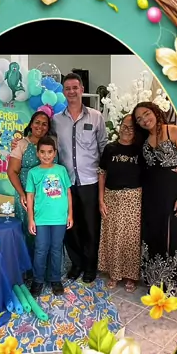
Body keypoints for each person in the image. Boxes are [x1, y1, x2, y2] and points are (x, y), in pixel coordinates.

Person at [52, 72, 107, 283]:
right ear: (63, 92)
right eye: (67, 88)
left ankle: (91, 265)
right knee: (71, 227)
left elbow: (103, 147)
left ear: (82, 89)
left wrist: (105, 177)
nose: (72, 92)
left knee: (91, 227)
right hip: (66, 182)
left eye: (75, 87)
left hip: (90, 181)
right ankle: (77, 264)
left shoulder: (96, 117)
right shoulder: (56, 120)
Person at [132, 101, 177, 294]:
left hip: (172, 191)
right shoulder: (143, 139)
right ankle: (154, 279)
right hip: (150, 192)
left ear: (155, 112)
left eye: (146, 114)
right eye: (139, 119)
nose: (144, 120)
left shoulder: (174, 131)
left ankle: (171, 282)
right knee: (153, 233)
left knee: (172, 234)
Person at [98, 114, 143, 292]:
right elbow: (102, 173)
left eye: (131, 127)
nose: (127, 130)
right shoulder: (110, 148)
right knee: (113, 237)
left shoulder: (140, 149)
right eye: (125, 126)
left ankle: (131, 276)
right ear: (119, 127)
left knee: (131, 238)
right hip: (111, 197)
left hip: (134, 198)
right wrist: (101, 199)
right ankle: (114, 273)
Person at [26, 136, 73, 297]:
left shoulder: (61, 170)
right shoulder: (33, 173)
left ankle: (55, 279)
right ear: (37, 153)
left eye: (49, 152)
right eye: (42, 152)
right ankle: (38, 280)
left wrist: (70, 215)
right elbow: (30, 196)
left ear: (55, 153)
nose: (46, 155)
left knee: (56, 249)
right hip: (41, 219)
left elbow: (68, 192)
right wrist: (31, 219)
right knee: (40, 249)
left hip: (59, 218)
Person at [7, 110, 56, 247]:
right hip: (26, 193)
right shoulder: (21, 144)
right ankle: (28, 260)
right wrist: (22, 194)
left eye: (44, 124)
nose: (40, 126)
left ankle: (46, 260)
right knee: (29, 231)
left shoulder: (53, 143)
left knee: (48, 231)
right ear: (31, 125)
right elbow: (12, 171)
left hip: (48, 195)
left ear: (48, 127)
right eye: (37, 122)